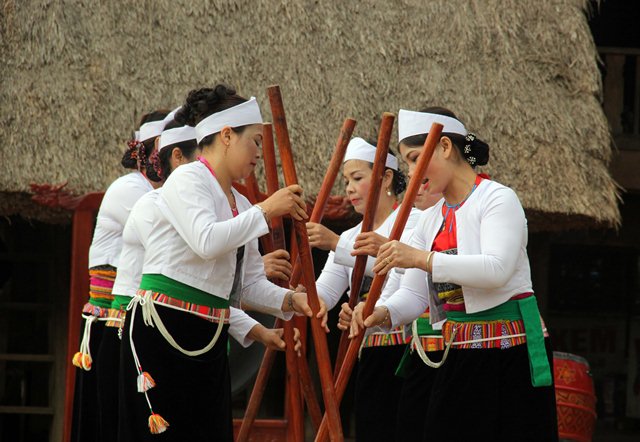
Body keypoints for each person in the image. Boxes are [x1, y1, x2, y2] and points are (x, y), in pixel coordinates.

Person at [117, 85, 319, 441]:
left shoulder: (240, 201)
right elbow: (206, 240)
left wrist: (291, 301)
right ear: (226, 135)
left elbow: (250, 283)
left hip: (209, 333)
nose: (259, 153)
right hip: (164, 326)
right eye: (254, 141)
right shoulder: (188, 178)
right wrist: (268, 209)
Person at [352, 107, 558, 441]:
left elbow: (496, 270)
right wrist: (381, 313)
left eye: (416, 158)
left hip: (508, 354)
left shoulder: (497, 199)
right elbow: (417, 295)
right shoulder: (431, 218)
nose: (412, 172)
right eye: (406, 163)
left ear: (445, 147)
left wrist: (422, 258)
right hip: (458, 351)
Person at [308, 137, 420, 441]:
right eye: (346, 180)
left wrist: (335, 244)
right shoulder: (351, 234)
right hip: (368, 351)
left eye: (358, 178)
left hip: (410, 351)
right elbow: (326, 292)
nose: (349, 188)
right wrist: (298, 297)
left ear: (385, 177)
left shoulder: (414, 223)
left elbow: (404, 270)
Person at [70, 109, 168, 442]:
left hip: (133, 325)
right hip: (111, 328)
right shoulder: (131, 189)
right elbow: (172, 239)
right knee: (111, 423)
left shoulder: (160, 195)